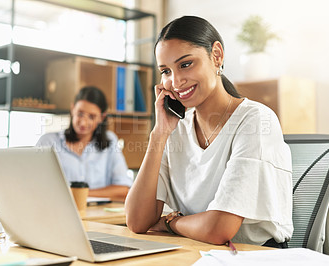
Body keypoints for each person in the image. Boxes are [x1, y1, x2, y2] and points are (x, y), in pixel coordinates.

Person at [124, 16, 293, 248]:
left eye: (185, 64)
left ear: (216, 55)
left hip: (253, 256)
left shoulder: (255, 120)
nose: (175, 81)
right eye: (165, 71)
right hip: (197, 250)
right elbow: (136, 221)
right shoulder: (176, 128)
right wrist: (159, 133)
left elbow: (219, 229)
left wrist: (171, 222)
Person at [36, 86, 132, 201]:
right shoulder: (48, 142)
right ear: (72, 109)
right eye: (80, 114)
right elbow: (35, 185)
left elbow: (123, 189)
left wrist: (79, 194)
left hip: (98, 214)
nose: (83, 122)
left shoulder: (110, 141)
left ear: (101, 118)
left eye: (92, 116)